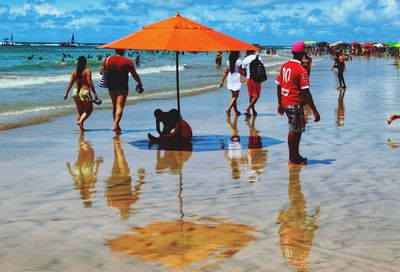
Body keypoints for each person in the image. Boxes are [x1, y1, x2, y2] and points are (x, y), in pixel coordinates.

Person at [276, 41, 320, 165]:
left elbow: (279, 86)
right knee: (294, 130)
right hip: (294, 102)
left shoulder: (284, 65)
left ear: (292, 52)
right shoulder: (301, 69)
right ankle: (292, 157)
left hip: (285, 101)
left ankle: (296, 154)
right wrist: (315, 111)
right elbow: (306, 92)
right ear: (304, 53)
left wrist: (280, 103)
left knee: (298, 129)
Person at [100, 49, 143, 134]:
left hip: (111, 86)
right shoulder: (128, 62)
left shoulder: (108, 60)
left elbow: (101, 72)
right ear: (123, 51)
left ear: (115, 50)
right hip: (122, 87)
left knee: (115, 107)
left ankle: (117, 127)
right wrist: (139, 83)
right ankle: (115, 125)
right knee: (119, 107)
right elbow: (134, 74)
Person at [64, 56, 98, 131]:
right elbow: (90, 82)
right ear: (85, 62)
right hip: (84, 91)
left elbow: (71, 83)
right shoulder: (87, 71)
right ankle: (80, 121)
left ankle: (81, 129)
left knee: (80, 111)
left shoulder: (74, 71)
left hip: (75, 91)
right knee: (89, 110)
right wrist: (94, 93)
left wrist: (66, 93)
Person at [241, 50, 264, 117]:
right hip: (256, 79)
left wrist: (247, 74)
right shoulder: (258, 57)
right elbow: (262, 67)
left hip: (248, 79)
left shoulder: (245, 60)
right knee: (257, 95)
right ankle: (248, 108)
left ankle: (253, 110)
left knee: (251, 95)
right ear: (253, 51)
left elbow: (243, 71)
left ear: (247, 52)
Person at [219, 51, 242, 116]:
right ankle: (228, 109)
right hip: (236, 79)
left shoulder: (228, 62)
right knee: (235, 96)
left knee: (233, 96)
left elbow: (226, 72)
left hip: (230, 79)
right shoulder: (239, 61)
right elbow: (241, 71)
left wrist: (222, 81)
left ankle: (236, 111)